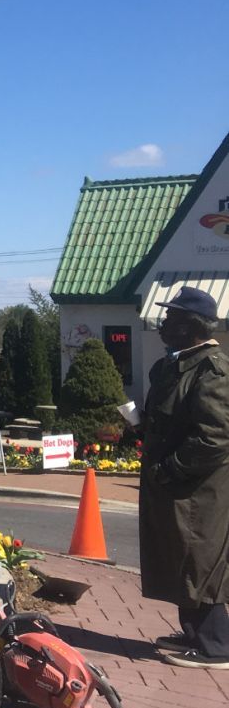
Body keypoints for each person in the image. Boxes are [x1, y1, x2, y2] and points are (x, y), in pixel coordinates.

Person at [137, 285, 229, 668]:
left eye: (171, 318)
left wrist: (169, 468)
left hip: (196, 491)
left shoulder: (212, 371)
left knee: (198, 561)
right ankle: (194, 633)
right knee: (181, 559)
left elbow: (216, 436)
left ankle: (216, 645)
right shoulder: (176, 365)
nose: (162, 324)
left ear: (190, 326)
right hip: (176, 487)